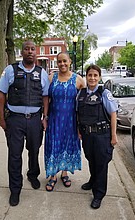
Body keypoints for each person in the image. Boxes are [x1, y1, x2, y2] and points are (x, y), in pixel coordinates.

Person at [0, 40, 49, 206]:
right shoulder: (10, 70)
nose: (30, 52)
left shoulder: (42, 73)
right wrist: (2, 119)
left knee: (34, 151)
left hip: (34, 120)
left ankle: (32, 175)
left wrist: (45, 117)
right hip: (15, 120)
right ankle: (15, 190)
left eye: (33, 49)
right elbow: (1, 94)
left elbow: (46, 97)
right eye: (26, 49)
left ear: (36, 52)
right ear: (22, 52)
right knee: (14, 155)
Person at [77, 64, 118, 209]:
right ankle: (93, 180)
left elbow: (113, 114)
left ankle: (99, 194)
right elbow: (78, 114)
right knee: (91, 160)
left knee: (101, 164)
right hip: (87, 135)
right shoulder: (81, 94)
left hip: (102, 135)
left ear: (99, 77)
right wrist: (79, 130)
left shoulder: (104, 93)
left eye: (95, 75)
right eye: (90, 75)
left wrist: (113, 136)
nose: (92, 78)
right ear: (86, 77)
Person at [44, 52, 85, 191]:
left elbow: (84, 102)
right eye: (59, 61)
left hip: (71, 121)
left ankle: (65, 173)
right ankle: (53, 175)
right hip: (54, 120)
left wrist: (82, 123)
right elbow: (46, 100)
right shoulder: (51, 78)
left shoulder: (78, 80)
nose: (62, 64)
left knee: (67, 146)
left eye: (64, 61)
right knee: (54, 146)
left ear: (70, 61)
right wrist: (45, 117)